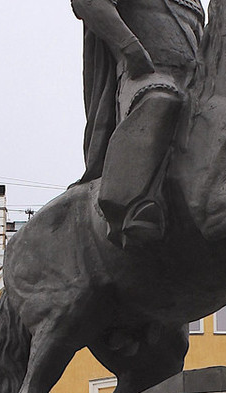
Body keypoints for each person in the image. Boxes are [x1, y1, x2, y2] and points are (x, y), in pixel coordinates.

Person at [71, 0, 204, 248]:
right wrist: (128, 46)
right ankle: (131, 207)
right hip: (145, 75)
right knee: (161, 101)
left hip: (196, 82)